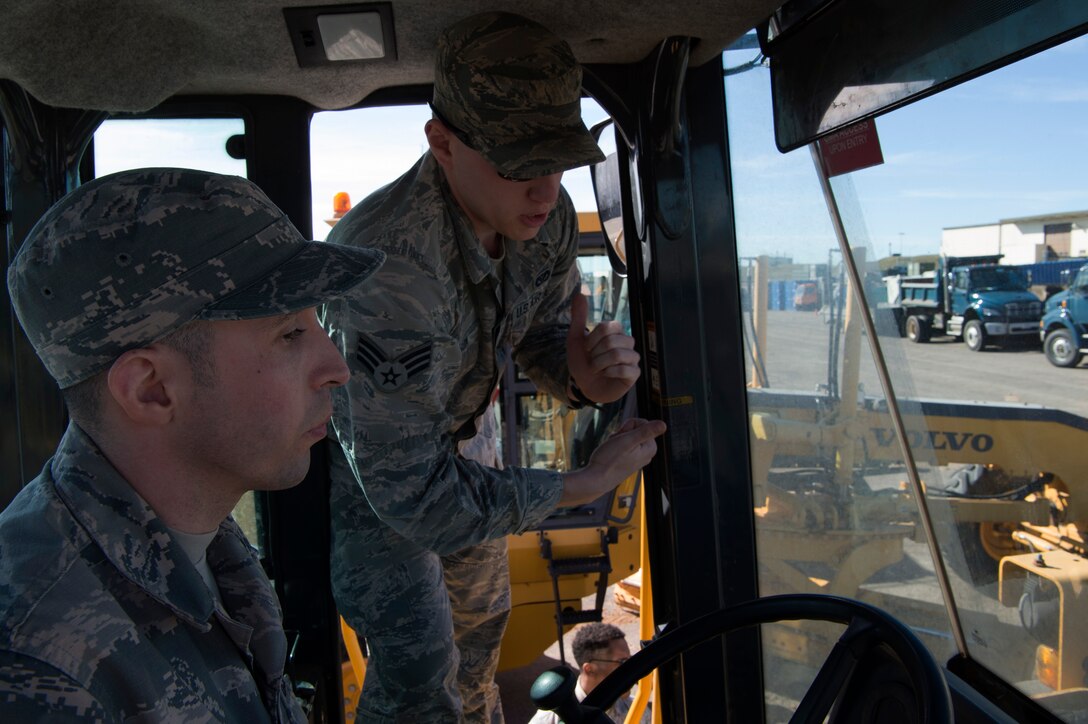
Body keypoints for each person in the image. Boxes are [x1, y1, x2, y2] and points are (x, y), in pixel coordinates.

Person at [322, 10, 666, 723]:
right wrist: (584, 482)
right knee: (420, 670)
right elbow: (413, 495)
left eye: (559, 160)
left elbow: (538, 326)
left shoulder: (546, 218)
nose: (545, 190)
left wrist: (580, 378)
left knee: (479, 640)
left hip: (462, 440)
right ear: (442, 144)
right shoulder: (386, 265)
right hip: (381, 471)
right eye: (517, 163)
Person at [0, 168, 384, 722]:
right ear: (152, 390)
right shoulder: (40, 666)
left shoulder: (203, 543)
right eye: (290, 334)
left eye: (315, 322)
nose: (336, 368)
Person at [528, 622, 650, 724]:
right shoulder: (549, 720)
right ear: (589, 669)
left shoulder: (638, 709)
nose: (629, 669)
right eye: (622, 662)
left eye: (630, 659)